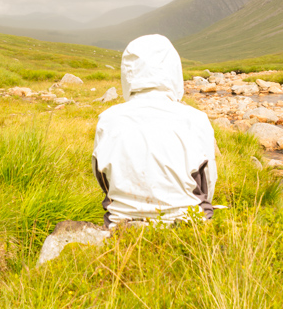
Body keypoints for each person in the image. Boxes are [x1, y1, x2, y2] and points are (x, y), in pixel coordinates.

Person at [92, 34, 217, 228]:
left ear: (127, 72)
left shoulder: (108, 119)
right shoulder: (195, 119)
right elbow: (208, 180)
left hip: (122, 225)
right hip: (187, 226)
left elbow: (102, 177)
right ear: (174, 71)